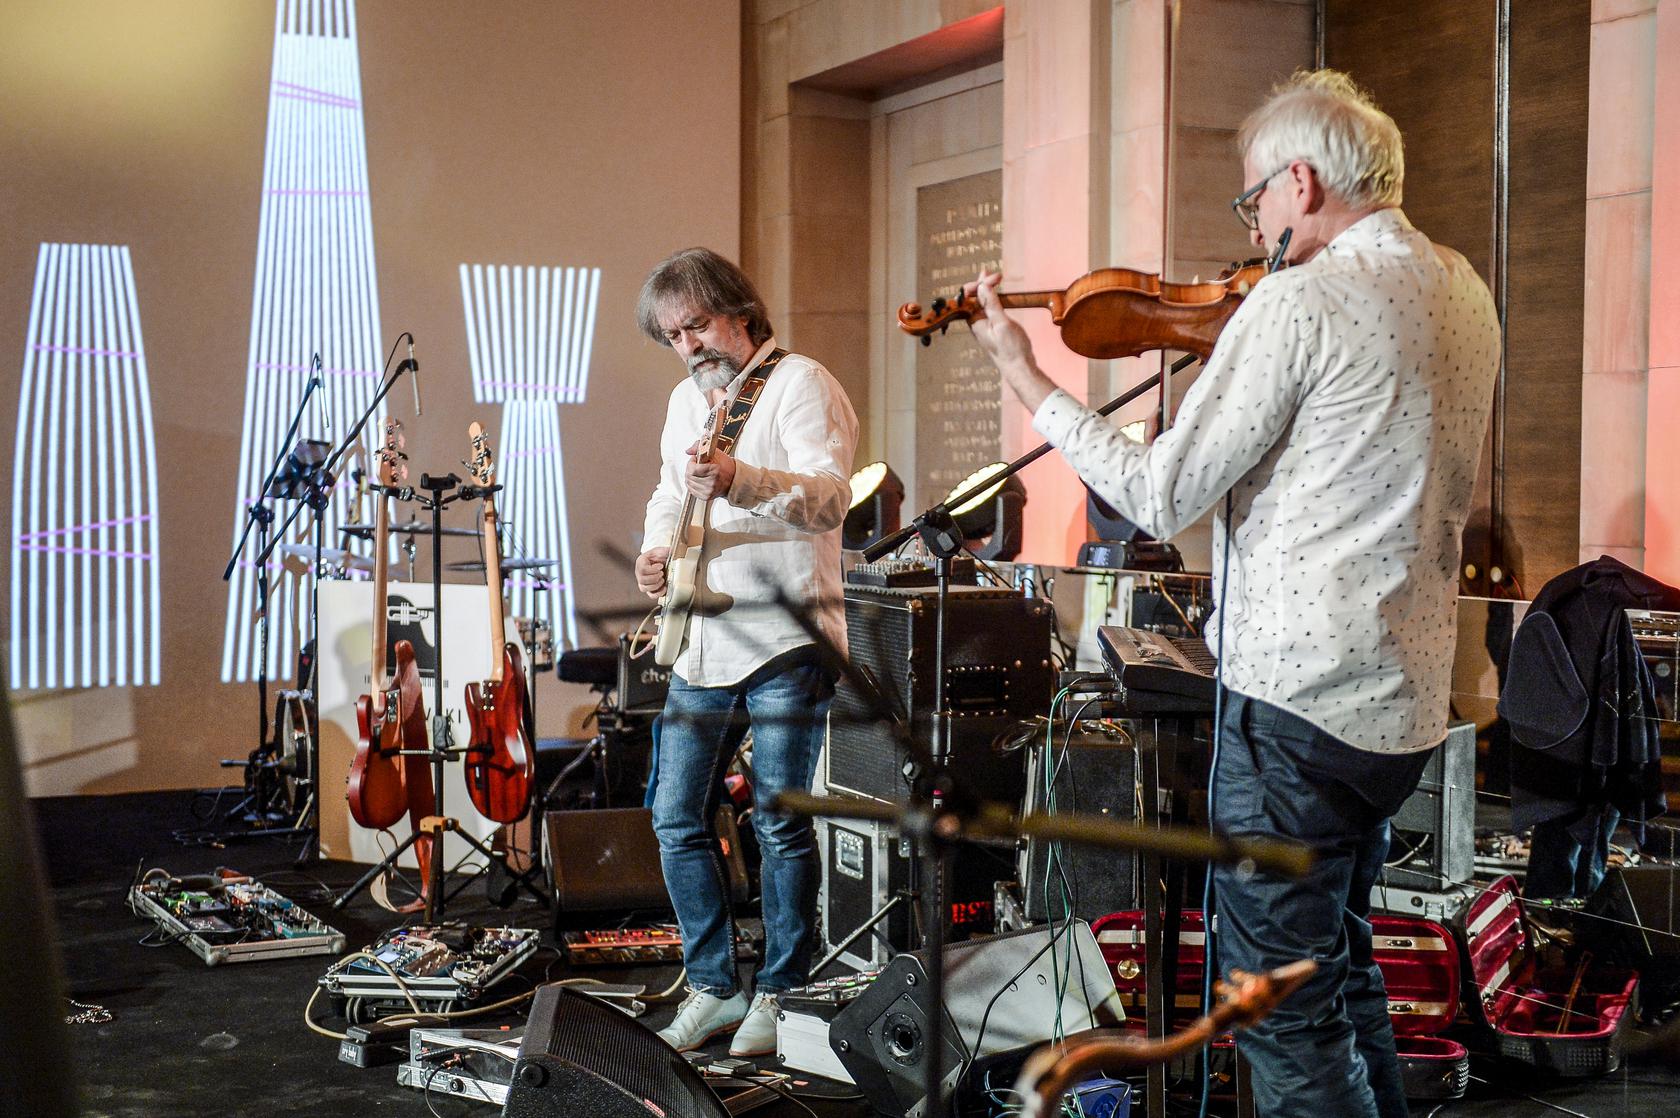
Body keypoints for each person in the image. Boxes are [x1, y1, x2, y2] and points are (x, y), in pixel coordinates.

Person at [961, 71, 1500, 1117]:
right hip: (1398, 708)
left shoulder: (1302, 299)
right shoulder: (1462, 287)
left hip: (1297, 707)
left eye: (1255, 197)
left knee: (1282, 1015)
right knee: (1337, 969)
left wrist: (1028, 378)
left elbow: (1158, 494)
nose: (1252, 224)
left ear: (1302, 181)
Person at [634, 247, 858, 1055]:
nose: (688, 345)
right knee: (674, 816)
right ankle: (715, 985)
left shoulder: (801, 383)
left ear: (739, 312)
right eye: (672, 335)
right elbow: (668, 492)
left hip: (784, 637)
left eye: (696, 325)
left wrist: (738, 479)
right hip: (701, 636)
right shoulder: (682, 402)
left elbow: (831, 498)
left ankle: (783, 990)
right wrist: (654, 551)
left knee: (779, 823)